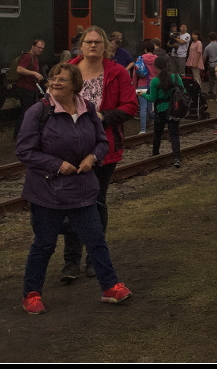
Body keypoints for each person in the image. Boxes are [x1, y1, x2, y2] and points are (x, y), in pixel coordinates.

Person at [15, 62, 132, 314]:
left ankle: (110, 286)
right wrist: (57, 165)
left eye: (62, 79)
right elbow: (24, 151)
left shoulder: (88, 109)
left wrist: (93, 158)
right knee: (44, 244)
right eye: (53, 78)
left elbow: (102, 141)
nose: (55, 82)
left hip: (82, 189)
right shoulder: (38, 112)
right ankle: (31, 294)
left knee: (96, 239)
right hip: (47, 193)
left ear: (75, 85)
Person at [63, 26, 139, 282]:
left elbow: (130, 106)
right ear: (81, 46)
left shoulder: (116, 72)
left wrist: (104, 116)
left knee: (96, 202)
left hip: (104, 149)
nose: (92, 46)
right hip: (70, 149)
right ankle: (70, 263)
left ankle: (94, 259)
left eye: (97, 42)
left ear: (104, 46)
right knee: (72, 204)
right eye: (88, 42)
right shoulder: (69, 71)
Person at [148, 55, 185, 167]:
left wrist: (142, 94)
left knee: (157, 134)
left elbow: (152, 98)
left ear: (155, 67)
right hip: (174, 110)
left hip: (160, 111)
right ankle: (177, 158)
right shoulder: (176, 77)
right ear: (167, 65)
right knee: (174, 135)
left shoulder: (155, 81)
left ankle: (155, 154)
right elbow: (183, 91)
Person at [13, 38, 46, 137]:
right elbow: (19, 69)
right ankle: (18, 134)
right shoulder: (27, 57)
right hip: (25, 89)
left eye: (42, 48)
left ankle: (22, 133)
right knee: (26, 112)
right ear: (32, 46)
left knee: (27, 112)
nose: (40, 50)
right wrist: (34, 73)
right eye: (38, 47)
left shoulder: (35, 58)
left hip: (31, 89)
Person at [135, 39, 158, 135]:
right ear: (153, 49)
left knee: (143, 107)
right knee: (152, 104)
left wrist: (134, 85)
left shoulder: (140, 58)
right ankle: (153, 120)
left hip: (141, 85)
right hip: (154, 84)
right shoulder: (157, 58)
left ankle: (143, 129)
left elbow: (135, 73)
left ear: (145, 49)